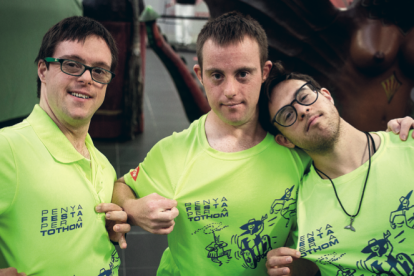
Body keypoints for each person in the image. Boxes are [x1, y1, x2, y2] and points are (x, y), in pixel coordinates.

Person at [112, 11, 311, 275]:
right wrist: (132, 207)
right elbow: (121, 187)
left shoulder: (296, 149)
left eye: (243, 74)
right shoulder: (174, 153)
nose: (230, 90)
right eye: (217, 75)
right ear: (200, 74)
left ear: (264, 72)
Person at [0, 16, 130, 275]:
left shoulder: (103, 166)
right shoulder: (7, 150)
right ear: (42, 70)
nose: (86, 78)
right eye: (72, 64)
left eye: (100, 70)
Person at [262, 62, 414, 276]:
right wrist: (283, 268)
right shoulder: (298, 209)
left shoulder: (408, 142)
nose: (303, 110)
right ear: (284, 140)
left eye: (304, 98)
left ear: (326, 95)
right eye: (287, 115)